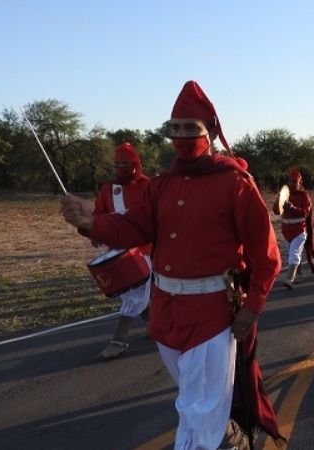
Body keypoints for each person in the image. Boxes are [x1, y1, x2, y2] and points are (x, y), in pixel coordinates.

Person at [61, 80, 284, 449]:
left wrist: (253, 306)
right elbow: (135, 227)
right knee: (196, 400)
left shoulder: (236, 184)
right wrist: (90, 221)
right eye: (174, 128)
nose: (181, 136)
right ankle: (234, 439)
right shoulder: (162, 184)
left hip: (212, 313)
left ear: (210, 132)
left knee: (196, 407)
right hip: (165, 311)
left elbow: (266, 255)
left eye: (189, 128)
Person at [91, 142, 152, 359]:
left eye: (125, 164)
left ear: (135, 164)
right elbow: (98, 214)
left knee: (134, 294)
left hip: (146, 250)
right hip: (119, 250)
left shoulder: (149, 187)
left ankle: (119, 340)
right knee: (134, 292)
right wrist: (95, 232)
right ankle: (157, 325)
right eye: (117, 164)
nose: (121, 168)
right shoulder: (109, 189)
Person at [272, 168, 313, 289]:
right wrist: (279, 200)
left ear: (300, 182)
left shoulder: (304, 195)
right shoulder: (284, 194)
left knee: (294, 253)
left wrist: (292, 207)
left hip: (299, 230)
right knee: (293, 253)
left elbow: (305, 213)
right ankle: (299, 273)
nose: (292, 184)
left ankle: (289, 279)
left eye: (294, 181)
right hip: (285, 230)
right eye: (290, 181)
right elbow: (276, 211)